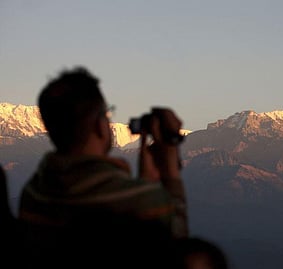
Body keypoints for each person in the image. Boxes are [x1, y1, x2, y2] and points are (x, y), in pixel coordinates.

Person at [17, 66, 188, 267]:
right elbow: (176, 250)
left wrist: (143, 184)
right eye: (107, 114)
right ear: (98, 125)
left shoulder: (33, 193)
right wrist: (170, 174)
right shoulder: (139, 201)